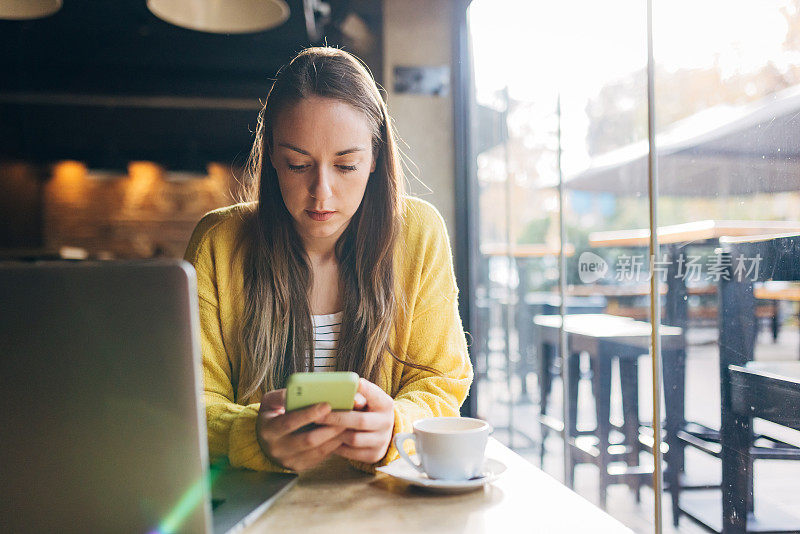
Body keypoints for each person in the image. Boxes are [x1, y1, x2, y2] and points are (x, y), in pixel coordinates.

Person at [184, 47, 472, 473]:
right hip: (256, 498)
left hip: (380, 496)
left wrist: (395, 425)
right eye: (298, 165)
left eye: (346, 165)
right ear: (272, 163)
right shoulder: (218, 241)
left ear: (375, 159)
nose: (322, 193)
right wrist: (252, 435)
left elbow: (441, 382)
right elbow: (189, 398)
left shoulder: (419, 234)